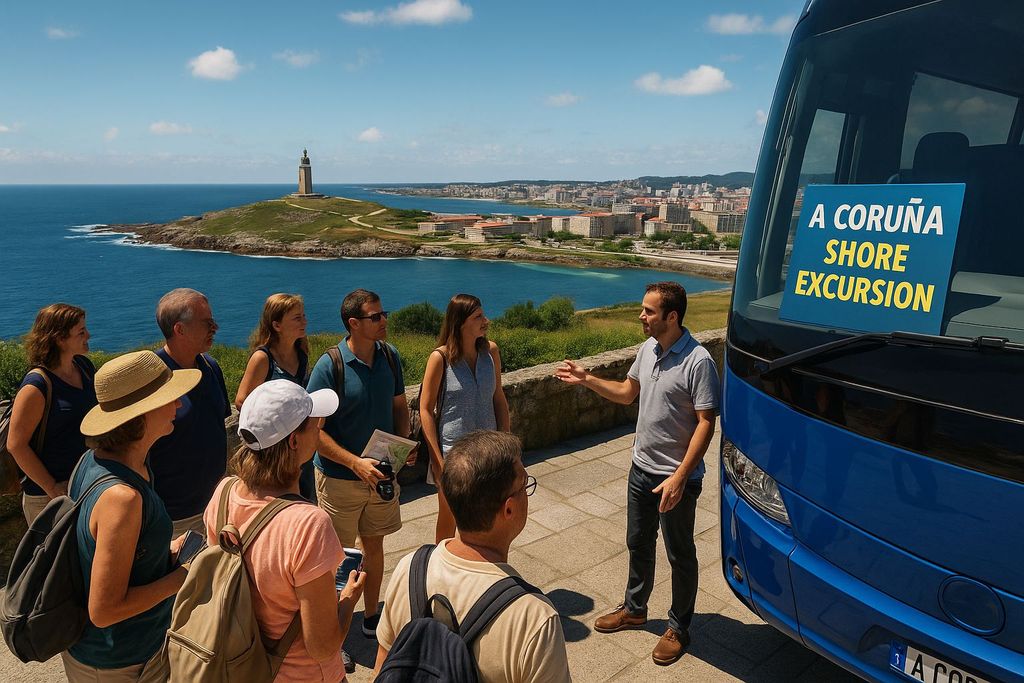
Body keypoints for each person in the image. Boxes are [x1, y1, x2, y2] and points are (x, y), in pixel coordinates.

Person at [554, 281, 719, 666]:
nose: (640, 316)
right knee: (638, 542)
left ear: (671, 316)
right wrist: (587, 379)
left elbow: (706, 423)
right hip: (641, 470)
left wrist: (680, 477)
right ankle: (635, 608)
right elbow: (629, 393)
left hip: (674, 479)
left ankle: (678, 628)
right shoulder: (648, 349)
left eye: (648, 311)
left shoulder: (699, 362)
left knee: (680, 554)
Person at [373, 430, 570, 683]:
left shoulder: (409, 568)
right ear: (508, 508)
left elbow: (381, 669)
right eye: (525, 485)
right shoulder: (533, 617)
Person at [203, 379, 365, 682]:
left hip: (242, 668)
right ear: (293, 441)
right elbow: (322, 647)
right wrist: (348, 601)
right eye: (313, 426)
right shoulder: (308, 524)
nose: (320, 429)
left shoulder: (223, 494)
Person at [64, 349, 200, 681]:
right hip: (118, 661)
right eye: (169, 398)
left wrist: (163, 552)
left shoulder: (97, 460)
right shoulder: (122, 497)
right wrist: (181, 578)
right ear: (141, 414)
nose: (179, 405)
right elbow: (105, 610)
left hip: (127, 651)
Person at [305, 288, 413, 642]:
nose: (385, 321)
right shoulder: (330, 365)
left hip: (381, 475)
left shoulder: (390, 356)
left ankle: (370, 617)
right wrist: (355, 464)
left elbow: (400, 405)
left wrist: (405, 443)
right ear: (353, 323)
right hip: (339, 479)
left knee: (375, 546)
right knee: (335, 559)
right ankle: (335, 633)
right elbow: (313, 433)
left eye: (384, 313)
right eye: (376, 317)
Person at [419, 293, 510, 543]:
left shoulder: (491, 352)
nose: (486, 320)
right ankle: (441, 566)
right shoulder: (440, 358)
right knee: (448, 517)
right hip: (453, 455)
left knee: (487, 517)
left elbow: (498, 397)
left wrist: (507, 443)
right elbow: (425, 409)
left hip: (489, 451)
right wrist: (438, 462)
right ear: (460, 322)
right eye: (478, 316)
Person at [149, 288, 231, 536]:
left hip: (215, 506)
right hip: (173, 517)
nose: (215, 327)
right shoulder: (154, 379)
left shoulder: (210, 366)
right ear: (179, 330)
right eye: (207, 322)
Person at [6, 303, 97, 524]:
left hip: (84, 485)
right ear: (59, 338)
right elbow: (16, 445)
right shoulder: (37, 385)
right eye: (80, 332)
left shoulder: (83, 367)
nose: (88, 335)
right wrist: (52, 487)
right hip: (47, 498)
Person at [234, 293, 316, 500]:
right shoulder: (263, 358)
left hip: (297, 446)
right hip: (273, 450)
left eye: (303, 316)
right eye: (297, 318)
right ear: (277, 325)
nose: (304, 321)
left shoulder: (301, 353)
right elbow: (242, 400)